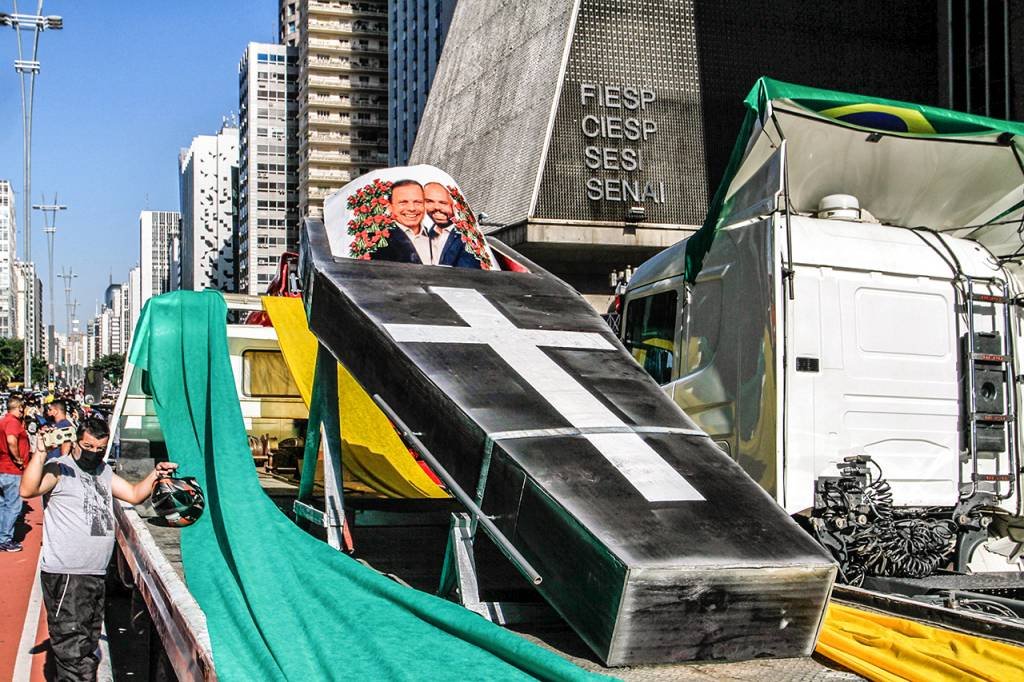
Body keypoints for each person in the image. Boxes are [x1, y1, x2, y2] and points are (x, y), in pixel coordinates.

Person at [20, 416, 177, 680]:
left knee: (87, 646)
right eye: (88, 446)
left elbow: (134, 493)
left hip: (94, 575)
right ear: (76, 441)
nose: (93, 453)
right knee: (74, 652)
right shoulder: (60, 468)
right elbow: (28, 489)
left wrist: (156, 474)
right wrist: (40, 452)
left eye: (99, 449)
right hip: (68, 576)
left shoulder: (103, 471)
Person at [423, 182, 484, 269]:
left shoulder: (469, 239)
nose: (436, 207)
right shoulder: (424, 236)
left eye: (443, 203)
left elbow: (467, 277)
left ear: (455, 205)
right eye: (429, 201)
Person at [0, 396, 29, 552]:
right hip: (11, 470)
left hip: (3, 468)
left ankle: (2, 536)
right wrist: (18, 459)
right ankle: (5, 539)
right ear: (19, 408)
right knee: (13, 506)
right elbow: (12, 441)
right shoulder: (12, 422)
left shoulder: (3, 421)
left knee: (3, 505)